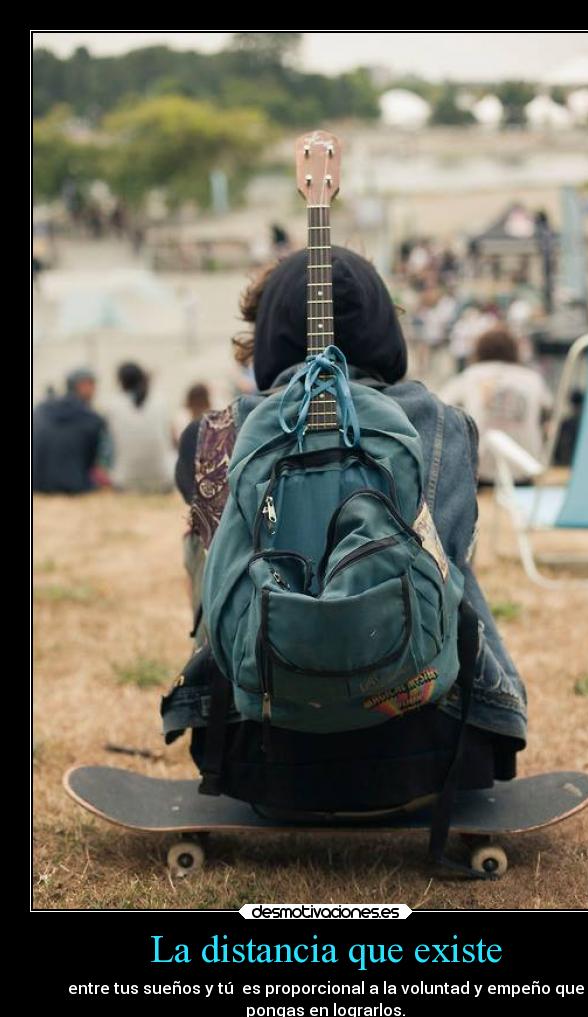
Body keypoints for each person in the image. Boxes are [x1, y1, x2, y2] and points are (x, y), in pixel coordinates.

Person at [169, 247, 527, 812]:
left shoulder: (210, 435)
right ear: (383, 325)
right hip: (431, 753)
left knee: (213, 555)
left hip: (253, 757)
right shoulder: (448, 428)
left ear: (270, 335)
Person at [440, 325, 553, 484]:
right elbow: (549, 409)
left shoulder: (470, 376)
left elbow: (440, 405)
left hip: (480, 471)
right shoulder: (533, 379)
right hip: (525, 469)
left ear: (479, 350)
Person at [33, 368, 108, 495]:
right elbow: (91, 462)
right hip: (74, 485)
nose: (95, 389)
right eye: (92, 384)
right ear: (82, 385)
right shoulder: (92, 419)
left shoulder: (41, 409)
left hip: (36, 483)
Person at [105, 363, 175, 493]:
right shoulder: (161, 401)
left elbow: (109, 448)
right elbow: (171, 439)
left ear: (120, 382)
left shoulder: (113, 405)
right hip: (163, 479)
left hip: (124, 482)